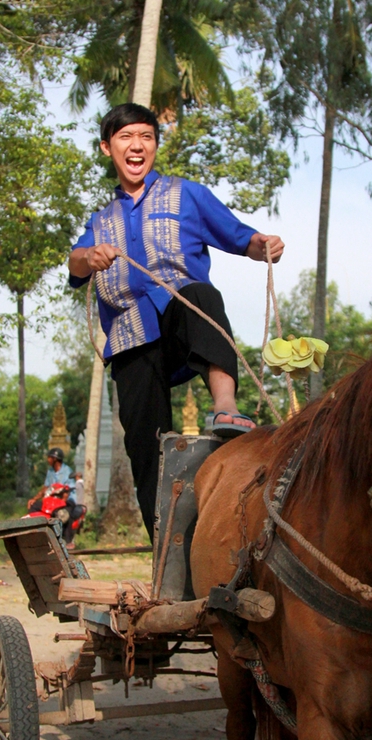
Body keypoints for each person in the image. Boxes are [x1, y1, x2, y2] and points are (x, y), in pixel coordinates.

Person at [68, 102, 285, 541]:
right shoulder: (101, 219)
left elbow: (239, 235)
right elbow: (74, 263)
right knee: (146, 451)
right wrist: (89, 257)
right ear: (107, 147)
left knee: (201, 295)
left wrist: (264, 244)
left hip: (180, 322)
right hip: (131, 339)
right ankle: (164, 549)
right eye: (126, 137)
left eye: (146, 137)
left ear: (154, 146)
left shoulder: (185, 194)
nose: (137, 145)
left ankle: (224, 405)